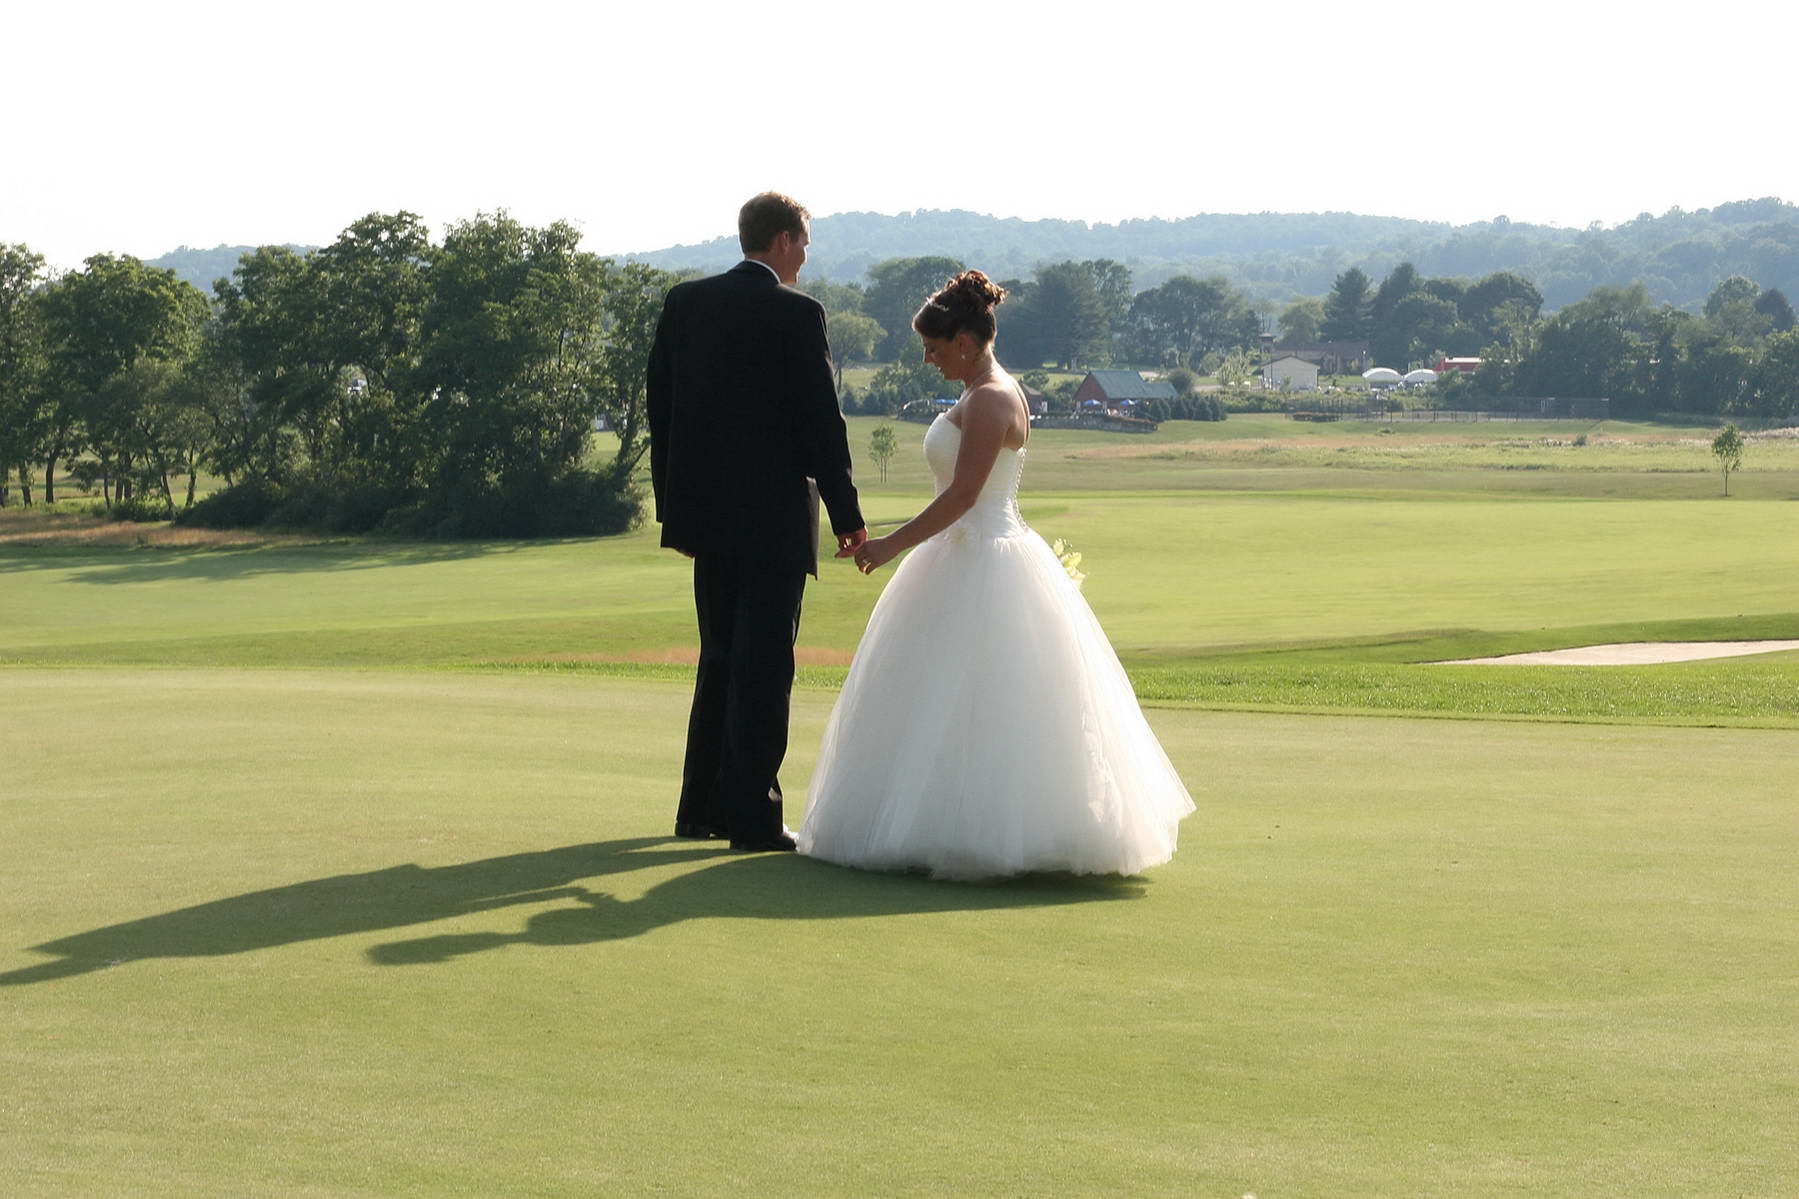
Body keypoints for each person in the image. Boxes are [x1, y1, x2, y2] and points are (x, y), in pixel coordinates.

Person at [797, 270, 1194, 879]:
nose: (928, 359)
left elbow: (963, 495)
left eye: (933, 348)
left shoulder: (990, 398)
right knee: (940, 694)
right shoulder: (980, 391)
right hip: (960, 554)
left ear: (963, 339)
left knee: (985, 694)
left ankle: (986, 833)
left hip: (982, 553)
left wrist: (888, 547)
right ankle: (932, 824)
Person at [647, 192, 866, 852]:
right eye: (802, 241)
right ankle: (751, 816)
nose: (804, 254)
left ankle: (700, 806)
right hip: (771, 519)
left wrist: (673, 507)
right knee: (764, 665)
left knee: (718, 657)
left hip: (706, 518)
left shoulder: (685, 304)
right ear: (778, 241)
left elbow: (663, 410)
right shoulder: (796, 314)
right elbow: (819, 424)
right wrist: (846, 515)